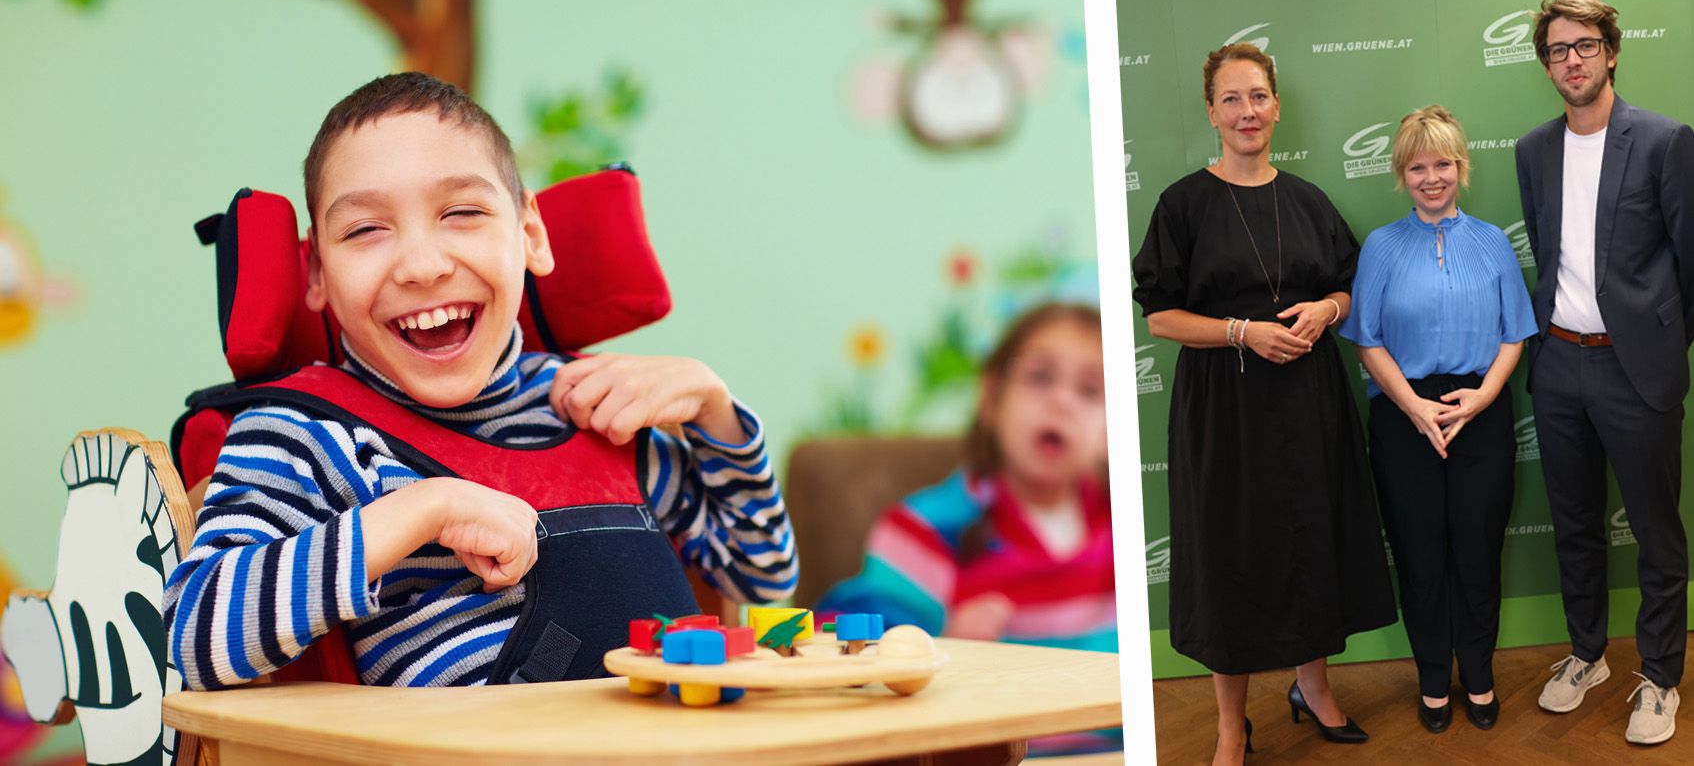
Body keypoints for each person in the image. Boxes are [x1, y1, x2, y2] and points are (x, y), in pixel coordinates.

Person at [163, 73, 797, 689]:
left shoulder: (594, 406)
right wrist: (420, 510)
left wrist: (717, 412)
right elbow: (188, 637)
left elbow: (762, 579)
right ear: (317, 275)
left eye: (461, 212)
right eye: (364, 229)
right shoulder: (307, 432)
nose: (422, 265)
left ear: (530, 234)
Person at [1131, 42, 1396, 765]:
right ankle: (1228, 723)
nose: (1247, 112)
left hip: (1309, 402)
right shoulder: (1183, 204)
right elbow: (1159, 317)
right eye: (1231, 99)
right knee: (1230, 559)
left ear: (1276, 105)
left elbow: (1347, 284)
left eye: (1258, 97)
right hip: (1225, 412)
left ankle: (1314, 689)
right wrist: (1241, 332)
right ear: (1211, 113)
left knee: (1313, 539)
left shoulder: (1307, 199)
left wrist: (1329, 311)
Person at [1515, 0, 1694, 745]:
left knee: (1655, 532)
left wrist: (1658, 348)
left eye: (1585, 45)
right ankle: (1586, 653)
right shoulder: (1533, 149)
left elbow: (1690, 262)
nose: (1572, 60)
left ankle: (1660, 676)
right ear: (1547, 64)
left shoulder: (1664, 139)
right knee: (1576, 525)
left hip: (1637, 371)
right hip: (1558, 364)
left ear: (1612, 51)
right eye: (1558, 49)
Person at [818, 302, 1116, 754]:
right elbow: (843, 649)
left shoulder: (1127, 530)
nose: (1062, 401)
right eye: (1040, 377)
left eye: (1090, 390)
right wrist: (944, 648)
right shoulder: (926, 529)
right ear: (991, 399)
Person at [1341, 106, 1537, 734]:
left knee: (1478, 554)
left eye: (1443, 164)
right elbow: (1366, 339)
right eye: (1418, 166)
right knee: (1421, 556)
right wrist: (1414, 406)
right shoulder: (1381, 247)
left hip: (1480, 410)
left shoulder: (1492, 243)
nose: (1432, 177)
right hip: (1404, 417)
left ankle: (1477, 676)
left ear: (1461, 167)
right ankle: (1432, 681)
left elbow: (1515, 336)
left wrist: (1480, 398)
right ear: (1401, 174)